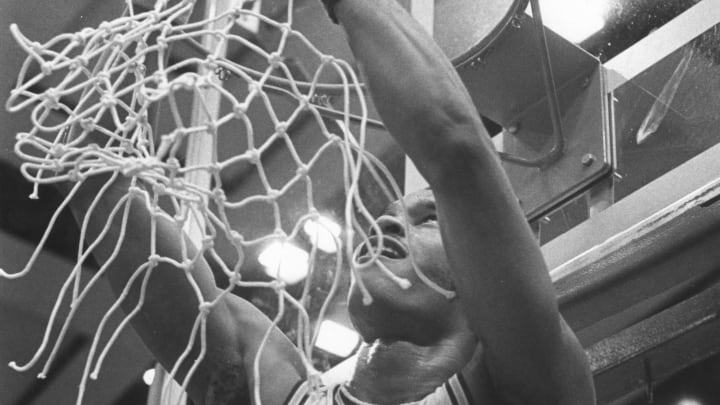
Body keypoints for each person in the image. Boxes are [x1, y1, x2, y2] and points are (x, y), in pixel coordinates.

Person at [61, 0, 596, 404]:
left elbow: (459, 157)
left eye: (427, 217)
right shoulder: (285, 390)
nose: (390, 218)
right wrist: (88, 144)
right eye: (396, 210)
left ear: (486, 274)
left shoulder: (529, 381)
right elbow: (128, 236)